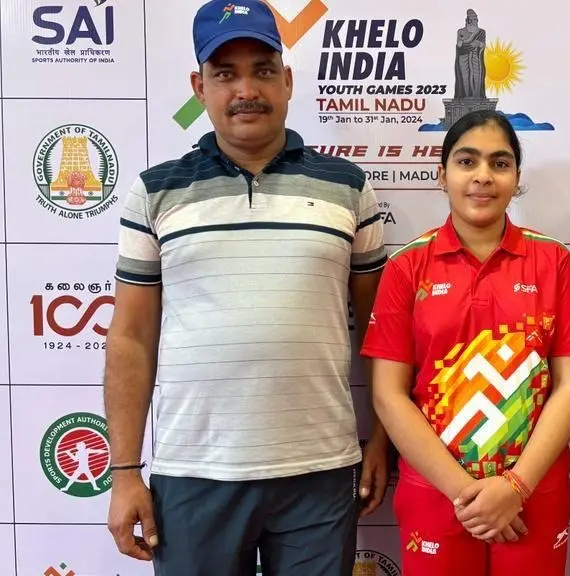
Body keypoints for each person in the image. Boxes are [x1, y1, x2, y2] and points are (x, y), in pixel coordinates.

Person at [102, 1, 390, 574]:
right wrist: (125, 471)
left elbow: (383, 333)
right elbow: (131, 336)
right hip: (195, 474)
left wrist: (380, 439)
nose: (245, 90)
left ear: (286, 81)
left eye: (262, 70)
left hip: (321, 470)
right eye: (225, 74)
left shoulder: (348, 188)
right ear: (199, 86)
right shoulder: (155, 193)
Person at [360, 109, 570, 575]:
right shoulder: (406, 268)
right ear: (441, 175)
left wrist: (515, 487)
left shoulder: (554, 263)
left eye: (500, 163)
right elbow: (389, 395)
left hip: (533, 494)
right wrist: (464, 494)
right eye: (467, 162)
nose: (483, 177)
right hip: (436, 494)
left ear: (516, 177)